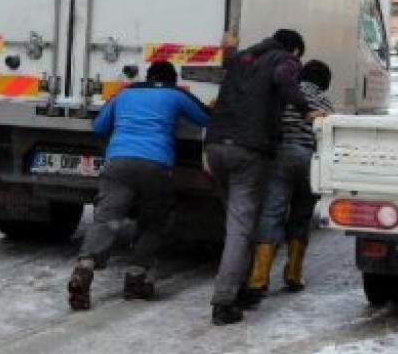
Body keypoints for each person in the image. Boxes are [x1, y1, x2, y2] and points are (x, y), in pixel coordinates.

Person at [203, 28, 324, 326]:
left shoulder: (244, 57)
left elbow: (229, 66)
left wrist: (228, 49)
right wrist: (306, 110)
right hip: (248, 149)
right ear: (295, 51)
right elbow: (284, 79)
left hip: (215, 146)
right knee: (241, 227)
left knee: (236, 220)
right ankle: (225, 300)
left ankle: (244, 283)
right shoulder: (285, 60)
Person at [67, 61, 209, 311]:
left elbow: (99, 126)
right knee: (154, 221)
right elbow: (205, 118)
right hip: (155, 165)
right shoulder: (175, 94)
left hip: (118, 163)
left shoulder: (124, 93)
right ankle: (136, 278)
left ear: (147, 76)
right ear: (172, 80)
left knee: (106, 219)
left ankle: (84, 270)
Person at [240, 59, 336, 306]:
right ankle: (293, 274)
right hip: (311, 162)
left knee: (272, 213)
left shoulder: (285, 95)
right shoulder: (326, 103)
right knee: (301, 216)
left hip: (282, 158)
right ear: (324, 82)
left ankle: (259, 279)